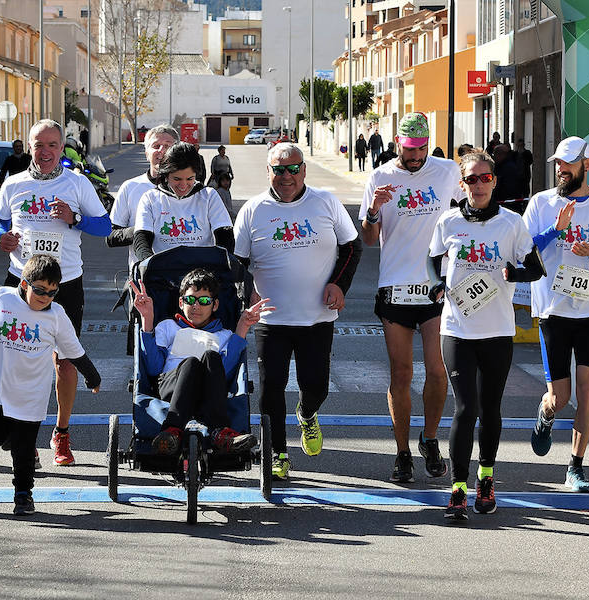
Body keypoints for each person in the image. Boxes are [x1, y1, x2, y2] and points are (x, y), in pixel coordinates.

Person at [427, 151, 545, 519]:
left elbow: (536, 269)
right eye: (471, 179)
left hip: (496, 330)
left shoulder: (511, 223)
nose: (478, 185)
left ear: (494, 181)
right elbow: (433, 259)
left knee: (490, 408)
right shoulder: (447, 221)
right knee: (466, 408)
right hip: (457, 328)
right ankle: (458, 488)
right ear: (462, 184)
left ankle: (487, 477)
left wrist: (515, 274)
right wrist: (436, 287)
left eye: (484, 178)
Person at [234, 142, 361, 480]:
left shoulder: (326, 202)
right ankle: (277, 453)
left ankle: (307, 414)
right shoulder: (252, 210)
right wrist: (246, 296)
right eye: (279, 169)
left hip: (317, 317)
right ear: (268, 172)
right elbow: (239, 263)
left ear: (304, 170)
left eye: (293, 168)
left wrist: (339, 284)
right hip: (271, 320)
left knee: (315, 385)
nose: (286, 175)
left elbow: (352, 246)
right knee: (271, 385)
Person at [0, 119, 111, 467]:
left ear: (62, 148)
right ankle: (21, 432)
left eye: (52, 145)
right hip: (20, 280)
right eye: (39, 145)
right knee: (15, 357)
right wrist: (3, 236)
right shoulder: (14, 184)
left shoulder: (77, 183)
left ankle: (61, 432)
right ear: (29, 146)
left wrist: (75, 218)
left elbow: (104, 224)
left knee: (65, 360)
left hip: (66, 283)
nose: (45, 152)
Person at [359, 112, 465, 483]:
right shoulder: (381, 176)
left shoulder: (447, 170)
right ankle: (403, 452)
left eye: (421, 149)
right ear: (397, 145)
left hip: (435, 286)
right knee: (401, 374)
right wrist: (373, 210)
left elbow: (469, 209)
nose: (415, 156)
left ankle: (430, 439)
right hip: (394, 287)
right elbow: (369, 240)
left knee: (438, 372)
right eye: (409, 150)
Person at [523, 136, 589, 492]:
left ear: (586, 165)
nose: (560, 169)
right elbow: (522, 252)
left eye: (568, 163)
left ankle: (576, 467)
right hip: (553, 310)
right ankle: (546, 412)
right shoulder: (541, 203)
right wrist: (556, 230)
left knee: (587, 393)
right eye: (558, 163)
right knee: (561, 397)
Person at [0, 255, 101, 515]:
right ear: (24, 284)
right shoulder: (2, 298)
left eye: (52, 292)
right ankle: (10, 438)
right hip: (0, 388)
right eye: (40, 290)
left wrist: (92, 376)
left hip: (32, 395)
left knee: (23, 452)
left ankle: (23, 495)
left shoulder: (56, 315)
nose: (45, 297)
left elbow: (74, 351)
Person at [131, 268, 273, 454]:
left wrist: (243, 326)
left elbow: (226, 374)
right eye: (190, 300)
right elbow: (153, 368)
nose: (196, 306)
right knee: (191, 362)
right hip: (171, 387)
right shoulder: (167, 327)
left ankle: (221, 432)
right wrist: (147, 319)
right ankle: (172, 430)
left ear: (214, 305)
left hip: (209, 393)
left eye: (204, 301)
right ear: (181, 302)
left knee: (211, 356)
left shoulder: (224, 335)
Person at [133, 142, 233, 261]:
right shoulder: (150, 198)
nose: (183, 185)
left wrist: (221, 264)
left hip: (202, 271)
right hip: (163, 271)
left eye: (190, 179)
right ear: (166, 175)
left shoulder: (209, 196)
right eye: (177, 179)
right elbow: (141, 240)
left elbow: (225, 235)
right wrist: (149, 266)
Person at [107, 124, 179, 269]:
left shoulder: (194, 190)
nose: (161, 150)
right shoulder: (130, 187)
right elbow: (111, 236)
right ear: (146, 153)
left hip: (184, 279)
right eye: (156, 145)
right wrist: (142, 230)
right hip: (143, 279)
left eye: (167, 146)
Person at [491, 144, 527, 213]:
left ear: (501, 154)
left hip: (508, 204)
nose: (493, 157)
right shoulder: (505, 165)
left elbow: (506, 186)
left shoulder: (508, 168)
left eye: (494, 154)